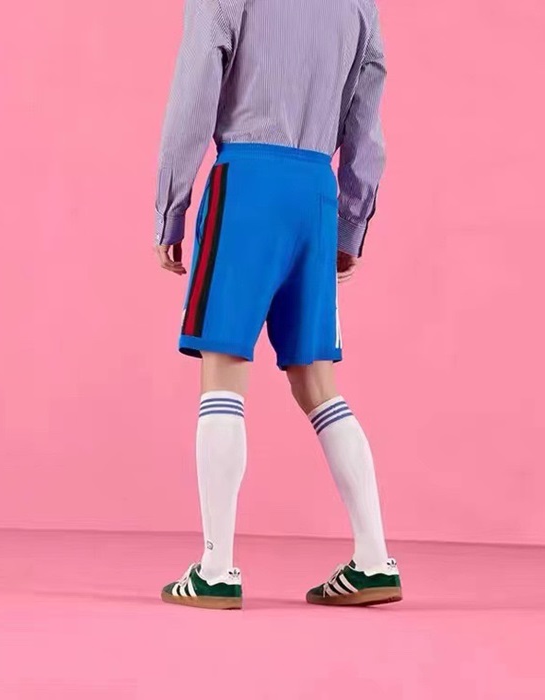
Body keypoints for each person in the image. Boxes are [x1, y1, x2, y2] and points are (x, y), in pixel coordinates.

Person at [154, 0, 401, 609]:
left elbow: (193, 93)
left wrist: (171, 207)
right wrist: (350, 223)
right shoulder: (358, 5)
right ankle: (374, 559)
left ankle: (216, 569)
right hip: (315, 191)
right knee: (318, 380)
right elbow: (366, 117)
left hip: (247, 183)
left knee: (223, 368)